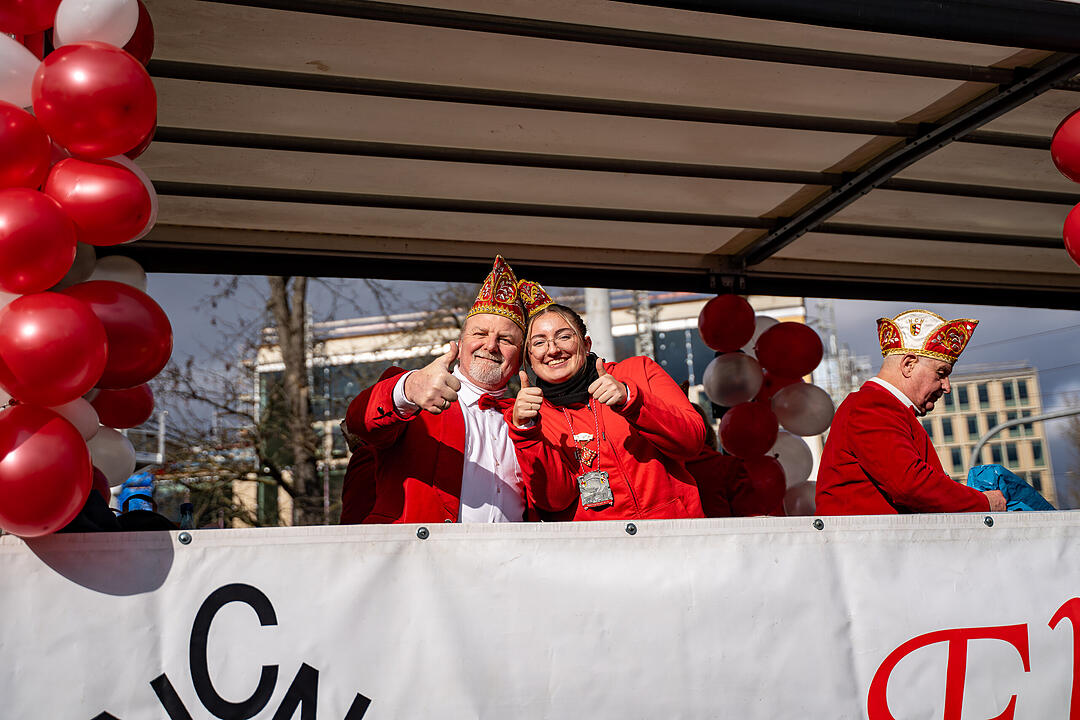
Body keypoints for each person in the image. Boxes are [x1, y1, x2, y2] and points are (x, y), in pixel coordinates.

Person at [341, 256, 566, 523]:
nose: (490, 346)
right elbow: (360, 421)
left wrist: (527, 429)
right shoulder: (416, 397)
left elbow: (554, 500)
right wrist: (409, 388)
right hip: (422, 561)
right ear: (459, 344)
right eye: (479, 334)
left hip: (510, 561)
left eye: (505, 339)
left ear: (520, 359)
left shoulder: (530, 421)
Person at [507, 281, 706, 521]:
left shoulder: (638, 371)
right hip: (596, 550)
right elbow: (554, 501)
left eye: (564, 336)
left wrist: (631, 400)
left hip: (673, 538)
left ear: (586, 343)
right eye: (539, 342)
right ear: (529, 358)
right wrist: (526, 433)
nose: (553, 349)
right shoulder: (534, 416)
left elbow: (692, 441)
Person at [816, 309, 1006, 515]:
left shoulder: (883, 407)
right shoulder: (871, 405)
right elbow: (910, 485)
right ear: (908, 364)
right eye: (941, 373)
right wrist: (983, 503)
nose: (946, 386)